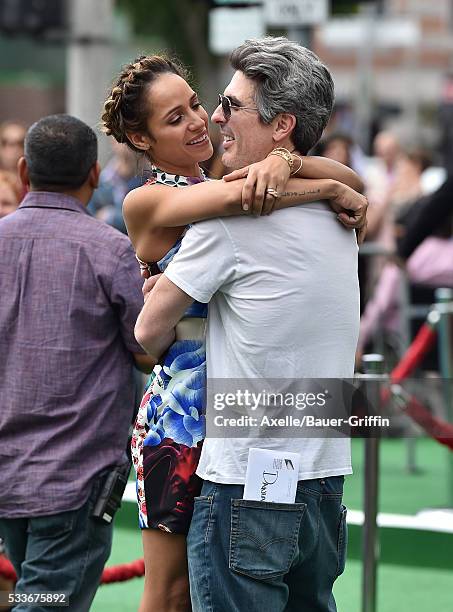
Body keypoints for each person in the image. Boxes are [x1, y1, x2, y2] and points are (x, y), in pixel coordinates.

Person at [102, 49, 366, 612]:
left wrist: (290, 164)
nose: (201, 120)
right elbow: (241, 200)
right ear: (142, 139)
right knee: (170, 589)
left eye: (199, 104)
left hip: (240, 408)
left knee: (216, 577)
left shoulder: (231, 174)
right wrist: (314, 182)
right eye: (175, 119)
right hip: (183, 413)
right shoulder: (150, 199)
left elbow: (348, 177)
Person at [0, 114, 155, 611]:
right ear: (94, 173)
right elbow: (147, 349)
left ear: (24, 172)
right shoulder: (111, 252)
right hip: (76, 479)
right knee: (44, 601)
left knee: (32, 592)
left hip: (8, 473)